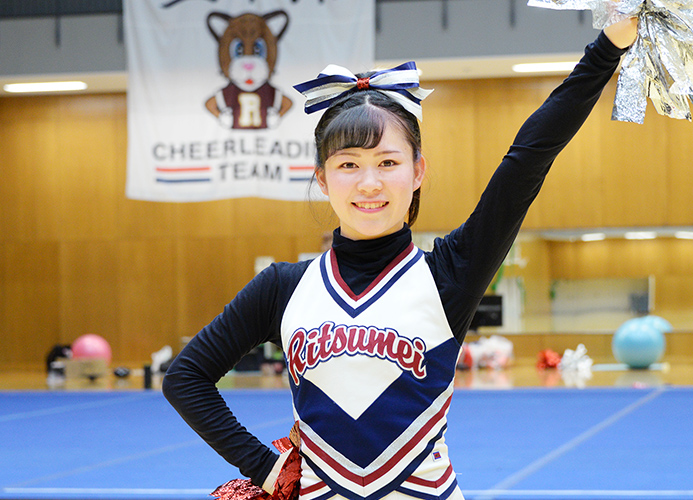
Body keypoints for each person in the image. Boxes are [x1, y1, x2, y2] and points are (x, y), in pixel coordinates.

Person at [163, 16, 638, 500]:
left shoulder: (450, 274)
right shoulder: (283, 287)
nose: (369, 184)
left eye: (388, 162)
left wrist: (607, 48)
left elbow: (529, 157)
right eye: (348, 165)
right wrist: (264, 467)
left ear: (417, 171)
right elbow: (185, 377)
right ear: (323, 180)